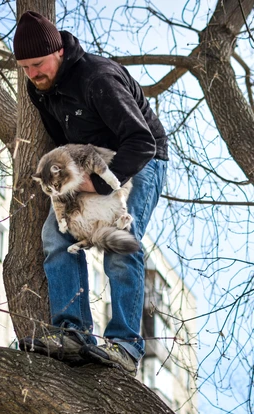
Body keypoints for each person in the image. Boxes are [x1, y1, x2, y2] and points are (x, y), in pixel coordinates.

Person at [13, 11, 168, 374]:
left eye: (38, 64)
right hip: (85, 165)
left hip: (137, 161)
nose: (33, 74)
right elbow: (62, 142)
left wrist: (97, 186)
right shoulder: (39, 89)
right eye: (25, 67)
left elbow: (141, 141)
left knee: (117, 239)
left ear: (60, 53)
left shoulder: (98, 78)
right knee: (55, 236)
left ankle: (126, 344)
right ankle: (73, 333)